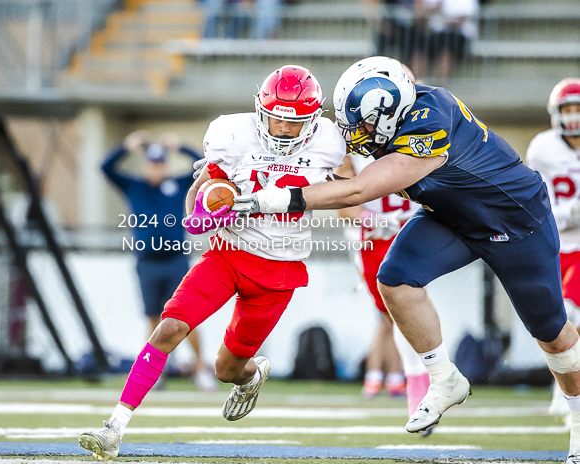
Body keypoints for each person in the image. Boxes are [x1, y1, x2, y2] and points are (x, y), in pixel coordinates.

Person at [233, 56, 580, 463]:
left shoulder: (427, 127)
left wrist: (268, 199)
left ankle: (577, 422)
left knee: (552, 335)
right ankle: (443, 378)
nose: (352, 133)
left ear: (388, 112)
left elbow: (356, 191)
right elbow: (327, 167)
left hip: (515, 222)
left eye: (359, 124)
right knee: (395, 279)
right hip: (451, 216)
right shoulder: (398, 107)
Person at [78, 64, 346, 461]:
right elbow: (200, 194)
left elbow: (352, 189)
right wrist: (199, 213)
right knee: (169, 327)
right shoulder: (232, 135)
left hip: (279, 270)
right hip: (228, 254)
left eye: (296, 122)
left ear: (314, 119)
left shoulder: (331, 144)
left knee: (226, 370)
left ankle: (251, 374)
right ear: (260, 111)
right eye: (277, 119)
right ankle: (115, 426)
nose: (286, 130)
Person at [101, 132, 217, 392]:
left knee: (186, 318)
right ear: (145, 165)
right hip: (147, 262)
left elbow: (207, 167)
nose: (156, 168)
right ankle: (155, 372)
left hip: (176, 259)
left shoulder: (178, 185)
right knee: (154, 318)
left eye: (160, 163)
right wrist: (126, 147)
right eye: (152, 163)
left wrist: (181, 147)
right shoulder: (135, 186)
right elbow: (105, 168)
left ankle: (200, 369)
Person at [337, 153, 435, 436]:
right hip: (372, 241)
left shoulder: (415, 136)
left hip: (413, 230)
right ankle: (399, 378)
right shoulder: (347, 149)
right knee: (390, 315)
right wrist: (373, 220)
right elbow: (344, 207)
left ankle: (416, 383)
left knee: (407, 310)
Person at [526, 77, 580, 418]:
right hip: (558, 242)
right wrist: (571, 212)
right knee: (560, 319)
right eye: (568, 109)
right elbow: (536, 205)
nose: (573, 116)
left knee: (573, 313)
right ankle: (563, 385)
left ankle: (568, 390)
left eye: (578, 109)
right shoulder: (543, 148)